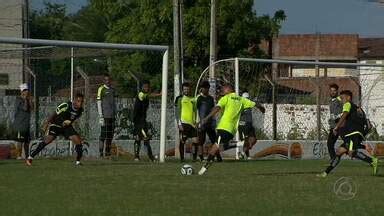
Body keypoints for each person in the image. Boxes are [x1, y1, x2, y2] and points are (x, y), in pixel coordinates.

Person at [198, 84, 265, 175]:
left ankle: (203, 170)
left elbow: (217, 108)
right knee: (218, 147)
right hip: (232, 131)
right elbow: (255, 104)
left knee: (215, 148)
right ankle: (204, 168)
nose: (222, 91)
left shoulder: (226, 98)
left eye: (223, 89)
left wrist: (206, 118)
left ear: (228, 89)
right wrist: (262, 108)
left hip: (224, 127)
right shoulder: (242, 99)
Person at [317, 90, 378, 177]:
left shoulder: (347, 104)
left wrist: (336, 127)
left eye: (342, 98)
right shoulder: (358, 108)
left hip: (352, 133)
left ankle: (372, 161)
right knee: (339, 152)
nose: (341, 100)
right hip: (358, 133)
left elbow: (345, 114)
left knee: (351, 153)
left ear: (348, 98)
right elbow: (367, 123)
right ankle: (325, 173)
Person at [26, 93, 86, 166]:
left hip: (66, 127)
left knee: (78, 141)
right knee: (48, 140)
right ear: (74, 101)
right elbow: (54, 114)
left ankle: (78, 162)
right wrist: (46, 124)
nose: (80, 103)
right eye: (79, 101)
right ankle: (30, 157)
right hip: (56, 124)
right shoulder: (66, 105)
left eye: (82, 101)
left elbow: (73, 120)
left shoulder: (80, 111)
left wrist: (76, 130)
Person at [132, 80, 161, 161]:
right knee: (142, 137)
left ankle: (143, 156)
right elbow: (148, 96)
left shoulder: (146, 95)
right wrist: (159, 94)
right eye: (145, 87)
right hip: (137, 120)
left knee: (143, 138)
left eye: (148, 87)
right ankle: (146, 157)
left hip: (143, 120)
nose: (146, 88)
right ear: (142, 87)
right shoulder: (141, 94)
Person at [196, 81, 222, 162]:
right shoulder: (198, 98)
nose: (203, 89)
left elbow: (213, 110)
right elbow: (195, 110)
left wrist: (214, 121)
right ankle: (201, 157)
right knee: (201, 141)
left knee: (214, 140)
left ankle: (218, 156)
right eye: (202, 87)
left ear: (208, 88)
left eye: (205, 87)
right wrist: (197, 121)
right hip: (201, 123)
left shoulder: (210, 99)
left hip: (210, 123)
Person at [175, 82, 199, 162]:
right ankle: (182, 159)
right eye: (185, 89)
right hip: (183, 123)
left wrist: (196, 121)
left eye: (188, 89)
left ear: (190, 89)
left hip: (192, 124)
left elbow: (195, 111)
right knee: (182, 141)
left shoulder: (193, 99)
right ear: (182, 90)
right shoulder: (180, 99)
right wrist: (179, 123)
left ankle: (194, 159)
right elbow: (177, 112)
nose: (186, 90)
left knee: (195, 141)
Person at [97, 74, 117, 157]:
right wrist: (101, 115)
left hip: (112, 116)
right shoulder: (101, 89)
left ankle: (107, 153)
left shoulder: (113, 90)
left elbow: (114, 103)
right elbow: (99, 102)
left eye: (109, 80)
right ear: (103, 81)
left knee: (110, 135)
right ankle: (101, 153)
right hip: (105, 116)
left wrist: (115, 113)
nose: (107, 81)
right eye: (106, 80)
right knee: (103, 135)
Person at [13, 83, 33, 159]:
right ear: (21, 91)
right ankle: (19, 156)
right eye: (25, 90)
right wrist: (25, 99)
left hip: (26, 124)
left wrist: (29, 99)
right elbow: (25, 108)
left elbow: (32, 109)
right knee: (20, 141)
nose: (27, 91)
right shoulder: (18, 100)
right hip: (20, 124)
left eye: (27, 90)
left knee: (27, 142)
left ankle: (27, 156)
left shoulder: (27, 99)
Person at [238, 91, 258, 160]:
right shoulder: (240, 106)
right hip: (244, 125)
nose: (247, 99)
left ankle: (242, 153)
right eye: (246, 98)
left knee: (254, 140)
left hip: (249, 124)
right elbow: (238, 118)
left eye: (248, 98)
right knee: (246, 141)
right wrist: (240, 132)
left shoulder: (249, 105)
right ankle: (247, 156)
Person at [327, 84, 343, 159]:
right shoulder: (331, 101)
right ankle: (333, 160)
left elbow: (345, 111)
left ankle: (333, 160)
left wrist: (337, 117)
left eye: (334, 91)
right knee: (330, 143)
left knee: (330, 143)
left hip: (339, 126)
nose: (333, 92)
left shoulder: (339, 100)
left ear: (337, 91)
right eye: (331, 90)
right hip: (334, 126)